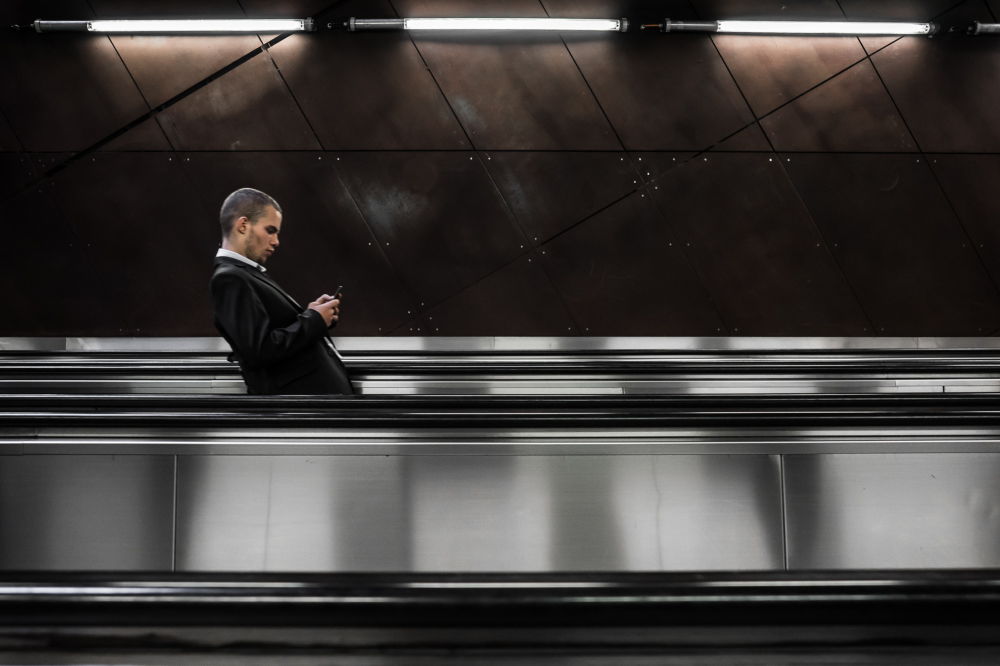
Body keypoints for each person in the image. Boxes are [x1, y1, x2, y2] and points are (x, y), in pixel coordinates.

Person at [210, 188, 353, 395]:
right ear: (243, 226)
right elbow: (259, 350)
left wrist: (311, 313)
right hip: (299, 410)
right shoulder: (229, 278)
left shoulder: (245, 274)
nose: (276, 241)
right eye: (270, 230)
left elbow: (270, 335)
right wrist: (313, 320)